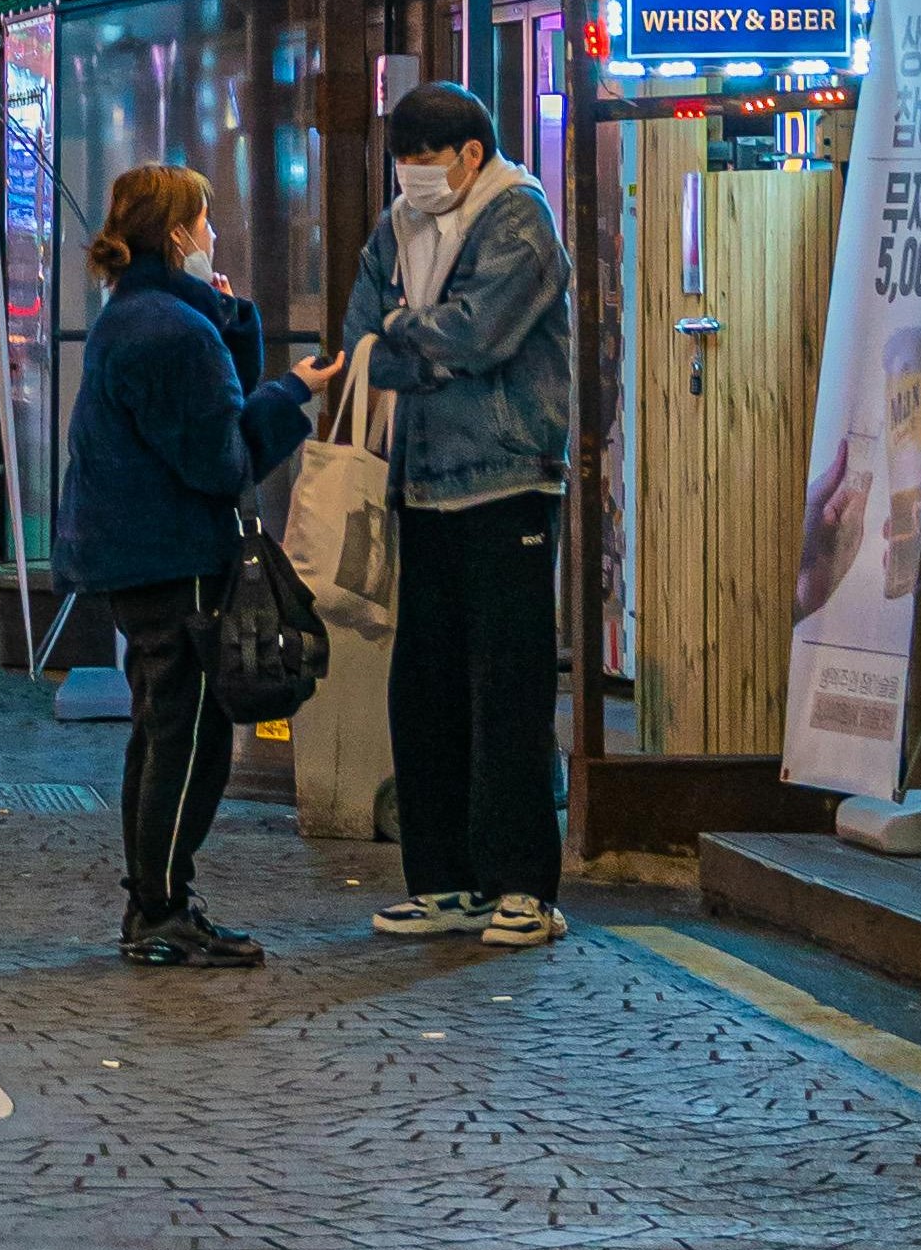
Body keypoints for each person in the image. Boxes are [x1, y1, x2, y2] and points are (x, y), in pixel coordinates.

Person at [294, 82, 575, 949]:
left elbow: (482, 333)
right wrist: (412, 342)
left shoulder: (519, 218)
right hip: (418, 482)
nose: (413, 179)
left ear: (471, 155)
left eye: (426, 162)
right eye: (402, 164)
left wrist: (402, 336)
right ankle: (443, 882)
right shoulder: (398, 226)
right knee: (424, 690)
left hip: (509, 479)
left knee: (510, 689)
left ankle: (524, 887)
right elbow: (360, 341)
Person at [60, 165, 309, 968]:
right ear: (176, 236)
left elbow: (213, 405)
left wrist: (232, 321)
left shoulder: (141, 314)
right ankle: (160, 908)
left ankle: (158, 901)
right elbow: (222, 457)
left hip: (139, 555)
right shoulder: (168, 331)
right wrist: (290, 396)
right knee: (187, 736)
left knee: (164, 726)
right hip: (174, 557)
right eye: (205, 223)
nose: (213, 236)